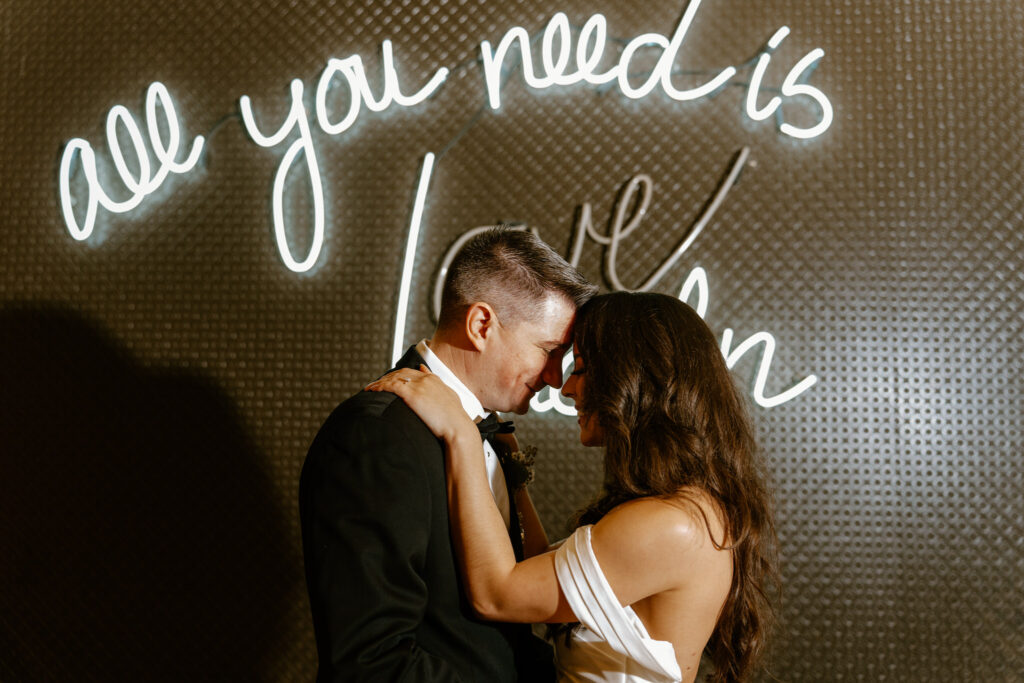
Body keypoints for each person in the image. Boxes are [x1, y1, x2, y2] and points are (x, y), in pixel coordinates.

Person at [368, 292, 778, 683]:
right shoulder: (681, 509)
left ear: (632, 378)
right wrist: (511, 475)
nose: (566, 388)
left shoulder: (672, 524)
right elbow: (537, 578)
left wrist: (460, 434)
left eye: (580, 368)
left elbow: (496, 595)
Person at [299, 227, 597, 681]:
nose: (556, 379)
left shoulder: (490, 434)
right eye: (549, 352)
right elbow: (370, 661)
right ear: (481, 325)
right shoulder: (376, 436)